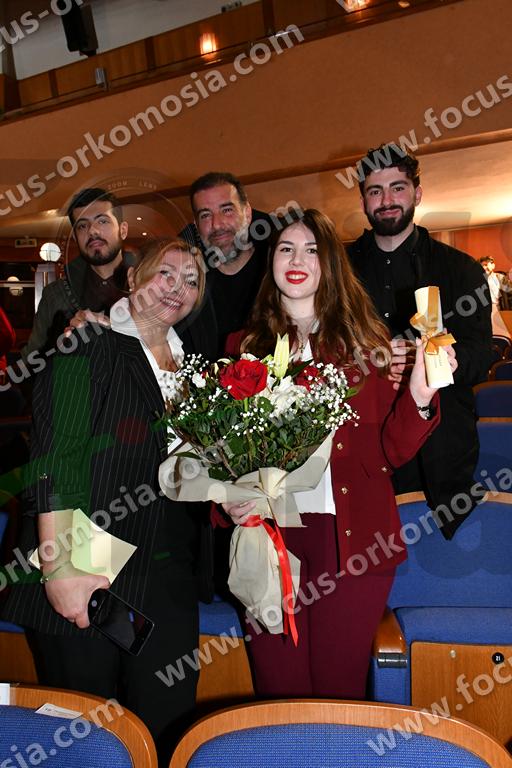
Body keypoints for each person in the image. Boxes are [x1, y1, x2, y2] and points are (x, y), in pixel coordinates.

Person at [221, 208, 450, 699]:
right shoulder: (241, 348)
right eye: (286, 249)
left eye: (312, 250)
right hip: (269, 539)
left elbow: (392, 452)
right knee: (278, 692)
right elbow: (219, 452)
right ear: (271, 261)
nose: (297, 260)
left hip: (351, 541)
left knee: (336, 692)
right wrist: (226, 499)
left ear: (330, 264)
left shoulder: (370, 345)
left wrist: (421, 394)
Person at [2, 239, 207, 764]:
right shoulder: (90, 341)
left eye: (191, 280)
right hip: (87, 551)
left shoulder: (194, 368)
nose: (178, 288)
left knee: (167, 722)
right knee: (86, 734)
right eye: (166, 273)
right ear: (134, 278)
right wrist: (59, 566)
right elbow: (56, 458)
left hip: (167, 566)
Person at [348, 144, 493, 539]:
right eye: (375, 191)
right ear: (363, 201)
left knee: (438, 558)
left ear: (417, 193)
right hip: (363, 439)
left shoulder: (461, 269)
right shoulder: (339, 271)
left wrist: (441, 359)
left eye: (397, 188)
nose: (387, 200)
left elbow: (482, 354)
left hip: (442, 445)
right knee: (367, 551)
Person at [23, 188, 131, 359]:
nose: (92, 231)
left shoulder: (151, 288)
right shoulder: (54, 296)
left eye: (102, 221)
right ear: (75, 238)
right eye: (82, 226)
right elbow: (32, 361)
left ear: (123, 230)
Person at [179, 171, 274, 356]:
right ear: (196, 226)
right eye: (205, 215)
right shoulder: (188, 287)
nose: (217, 224)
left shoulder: (277, 274)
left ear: (247, 213)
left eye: (227, 210)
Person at [480, 256, 511, 337]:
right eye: (482, 265)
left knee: (499, 333)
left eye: (486, 264)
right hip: (483, 310)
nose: (484, 267)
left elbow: (510, 290)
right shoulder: (478, 279)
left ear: (493, 265)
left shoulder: (499, 277)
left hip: (497, 308)